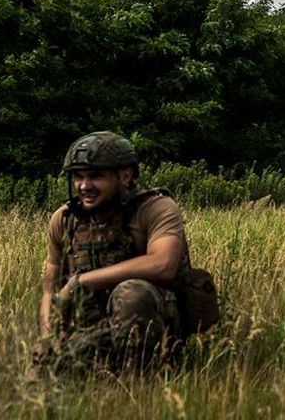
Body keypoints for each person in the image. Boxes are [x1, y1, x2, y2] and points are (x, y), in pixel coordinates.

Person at [34, 131, 208, 373]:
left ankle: (139, 382)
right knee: (48, 370)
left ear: (125, 176)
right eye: (78, 177)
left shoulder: (155, 209)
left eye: (96, 176)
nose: (84, 186)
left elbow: (163, 264)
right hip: (93, 328)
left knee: (132, 293)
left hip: (157, 327)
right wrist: (48, 337)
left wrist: (80, 282)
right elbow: (50, 291)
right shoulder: (65, 220)